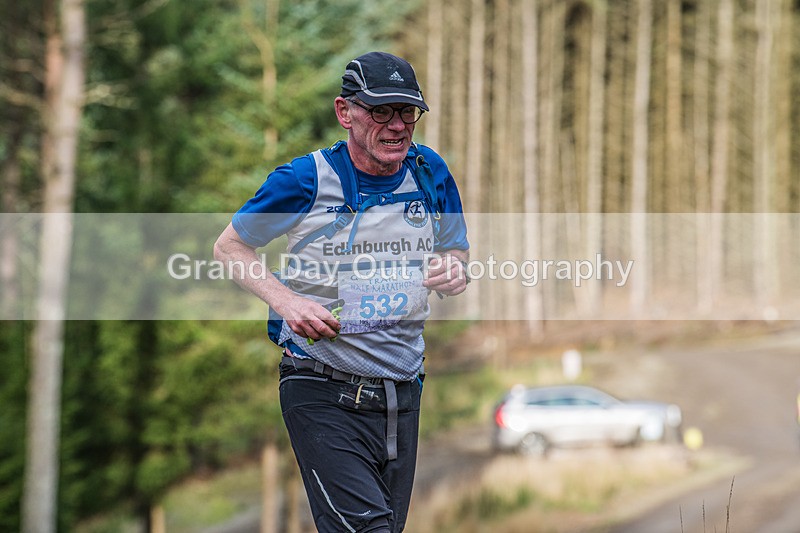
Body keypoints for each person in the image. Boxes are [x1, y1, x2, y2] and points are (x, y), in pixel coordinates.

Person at [214, 51, 469, 532]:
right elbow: (229, 248)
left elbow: (456, 253)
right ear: (344, 111)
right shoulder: (305, 179)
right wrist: (287, 302)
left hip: (402, 395)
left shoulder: (429, 171)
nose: (397, 126)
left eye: (406, 112)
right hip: (322, 387)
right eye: (380, 111)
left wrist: (454, 272)